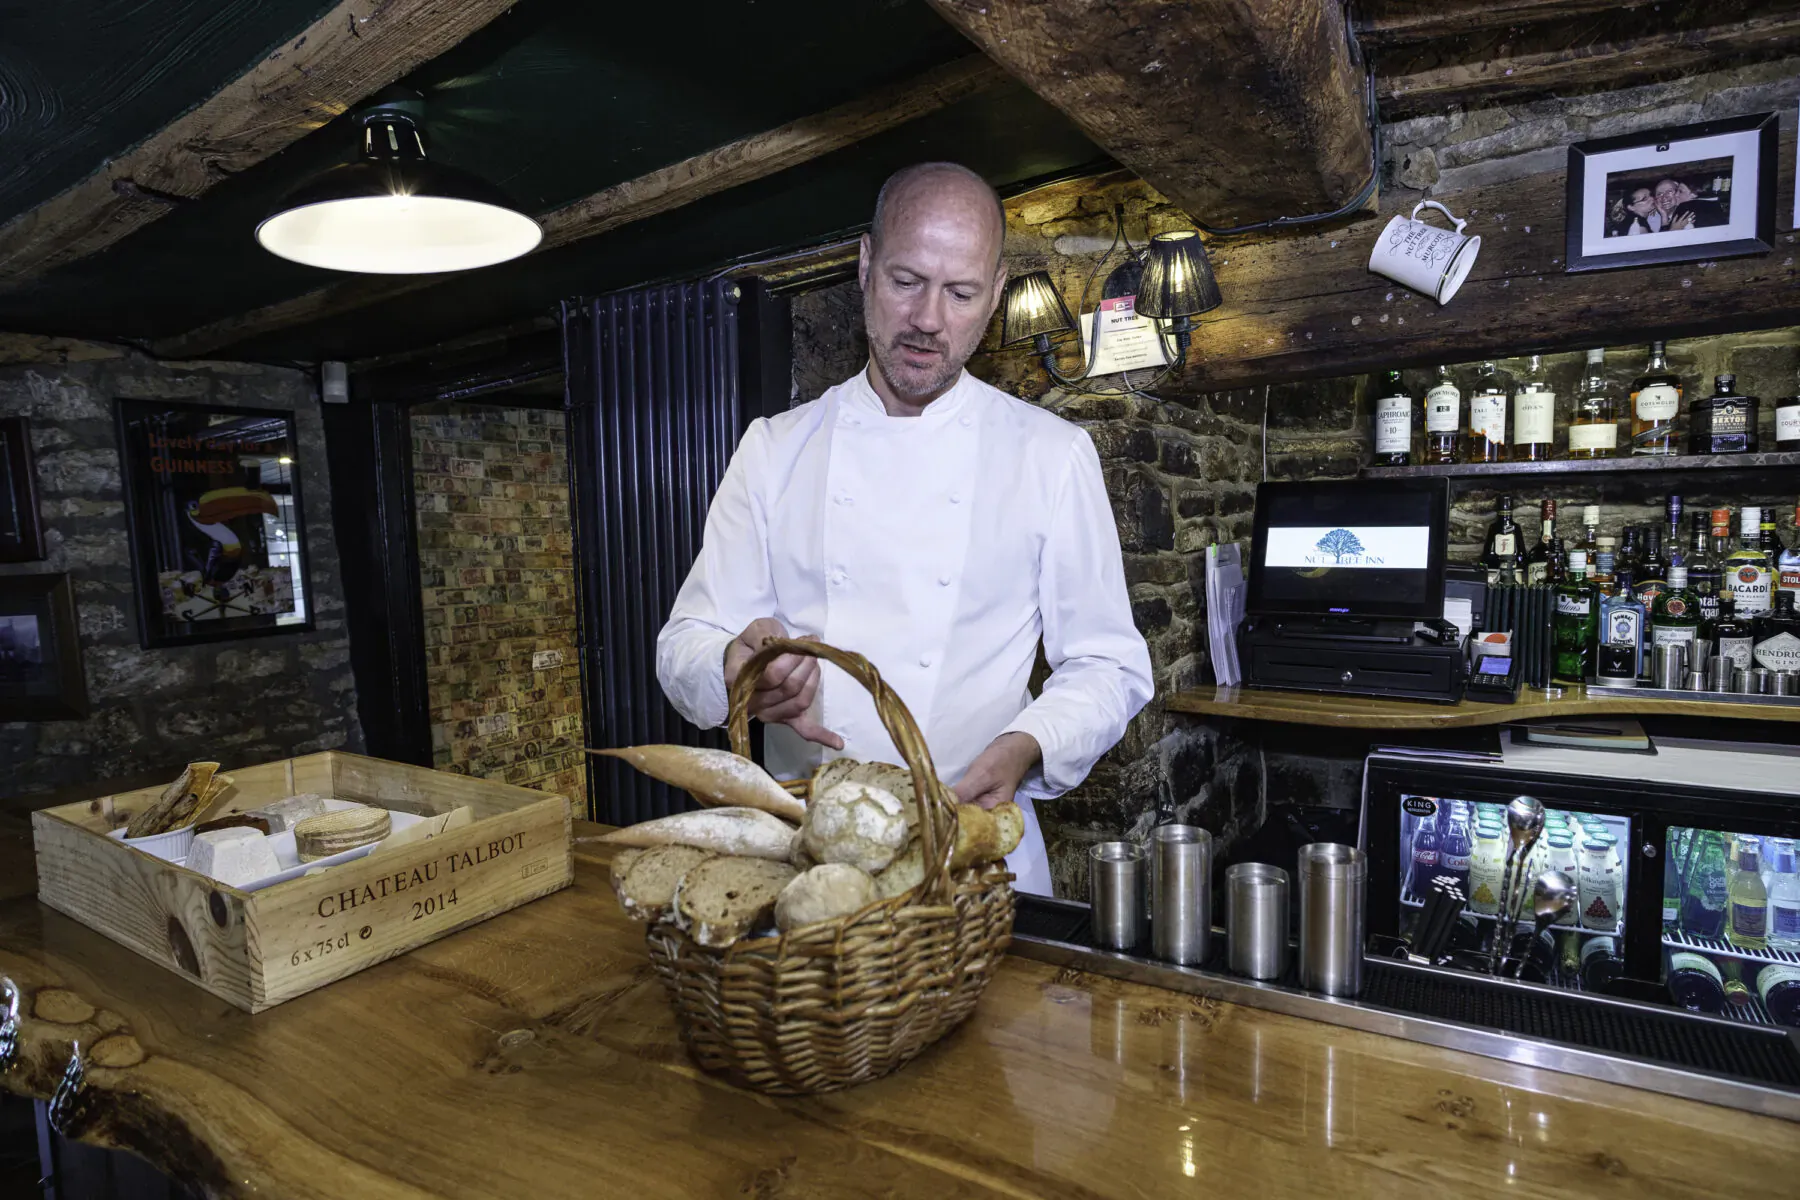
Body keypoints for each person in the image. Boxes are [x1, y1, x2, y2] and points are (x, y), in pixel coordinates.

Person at [656, 162, 1154, 895]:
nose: (928, 319)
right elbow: (683, 644)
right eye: (906, 280)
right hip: (813, 872)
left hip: (975, 856)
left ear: (992, 298)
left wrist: (1029, 742)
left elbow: (1110, 664)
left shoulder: (1051, 454)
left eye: (959, 293)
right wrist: (733, 666)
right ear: (864, 265)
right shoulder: (774, 448)